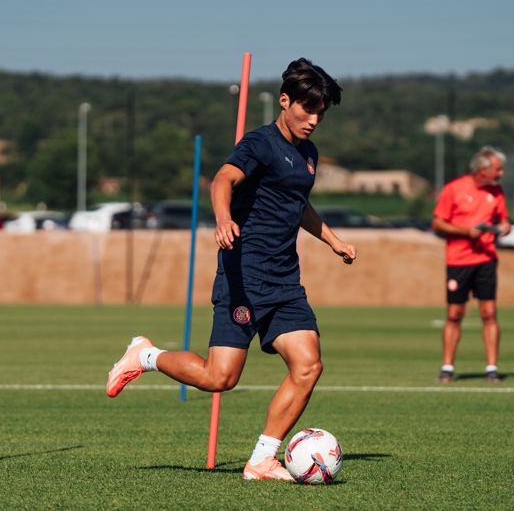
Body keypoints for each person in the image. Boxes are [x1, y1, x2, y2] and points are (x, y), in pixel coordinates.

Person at [105, 58, 356, 479]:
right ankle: (145, 355)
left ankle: (262, 459)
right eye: (306, 109)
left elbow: (297, 205)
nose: (312, 120)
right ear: (284, 101)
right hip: (244, 276)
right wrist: (224, 218)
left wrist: (333, 240)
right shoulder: (259, 144)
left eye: (320, 113)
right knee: (219, 378)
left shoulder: (308, 154)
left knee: (308, 365)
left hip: (284, 281)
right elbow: (221, 180)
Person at [431, 147, 511, 383]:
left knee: (489, 313)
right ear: (483, 169)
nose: (501, 173)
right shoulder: (454, 189)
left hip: (486, 260)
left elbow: (504, 218)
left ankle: (491, 368)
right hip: (458, 261)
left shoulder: (497, 191)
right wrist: (466, 232)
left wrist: (505, 226)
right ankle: (447, 367)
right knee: (455, 314)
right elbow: (437, 223)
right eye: (498, 169)